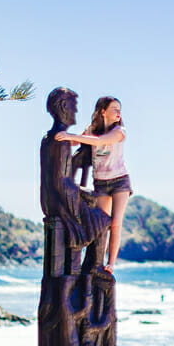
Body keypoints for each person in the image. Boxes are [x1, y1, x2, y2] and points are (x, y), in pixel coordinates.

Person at [55, 96, 131, 272]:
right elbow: (75, 142)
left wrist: (70, 136)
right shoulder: (91, 130)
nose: (118, 112)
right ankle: (97, 262)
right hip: (101, 183)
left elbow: (98, 141)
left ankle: (111, 264)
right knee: (102, 223)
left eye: (119, 109)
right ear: (103, 111)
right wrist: (61, 137)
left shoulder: (120, 131)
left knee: (115, 222)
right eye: (114, 109)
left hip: (120, 181)